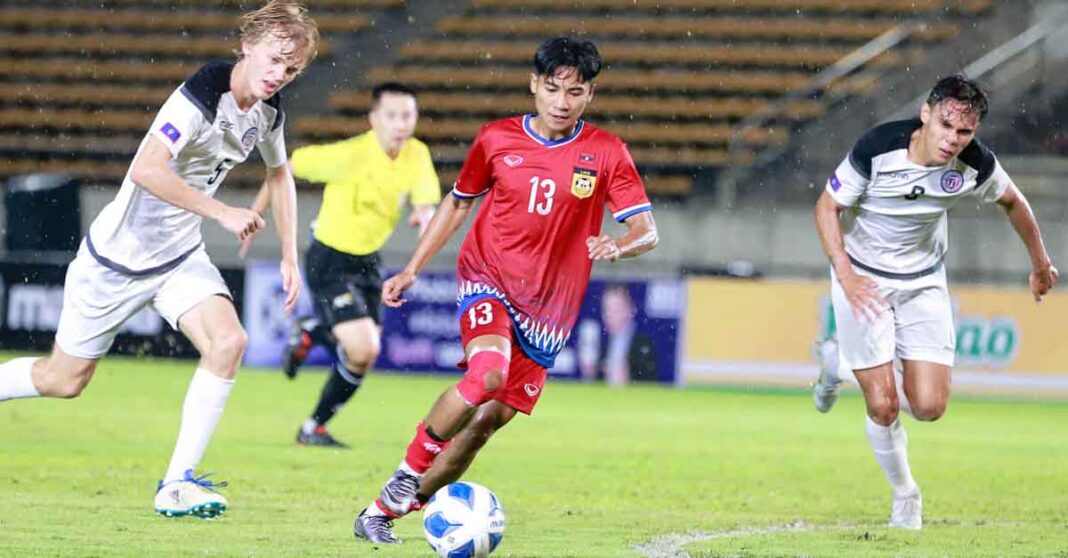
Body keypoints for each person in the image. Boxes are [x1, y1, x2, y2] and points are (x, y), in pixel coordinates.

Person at [0, 1, 318, 519]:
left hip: (178, 258)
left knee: (229, 341)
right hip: (114, 262)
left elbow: (279, 174)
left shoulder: (268, 114)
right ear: (247, 45)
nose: (280, 75)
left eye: (292, 69)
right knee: (64, 381)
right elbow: (148, 170)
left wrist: (288, 254)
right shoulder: (201, 92)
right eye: (276, 60)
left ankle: (176, 484)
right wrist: (220, 211)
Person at [351, 36, 659, 544]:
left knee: (483, 425)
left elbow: (646, 230)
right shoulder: (496, 139)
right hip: (487, 278)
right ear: (534, 85)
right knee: (488, 373)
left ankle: (382, 511)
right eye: (554, 88)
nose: (562, 102)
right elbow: (457, 203)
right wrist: (411, 269)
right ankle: (407, 472)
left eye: (575, 92)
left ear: (590, 95)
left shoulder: (606, 152)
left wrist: (619, 246)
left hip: (549, 311)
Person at [812, 75, 1058, 530]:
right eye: (946, 125)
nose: (953, 140)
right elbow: (827, 207)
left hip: (924, 283)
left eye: (964, 132)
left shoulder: (974, 165)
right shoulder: (878, 147)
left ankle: (842, 364)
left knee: (928, 407)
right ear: (926, 113)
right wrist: (845, 275)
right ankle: (906, 495)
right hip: (863, 280)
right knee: (884, 405)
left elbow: (1013, 201)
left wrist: (1041, 264)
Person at [244, 82, 440, 448]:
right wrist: (254, 216)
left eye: (408, 115)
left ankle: (313, 423)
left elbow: (426, 203)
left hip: (368, 261)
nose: (401, 123)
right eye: (392, 115)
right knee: (364, 348)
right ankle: (314, 334)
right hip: (329, 258)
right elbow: (282, 168)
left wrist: (424, 218)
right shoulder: (351, 155)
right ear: (374, 119)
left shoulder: (417, 154)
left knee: (363, 355)